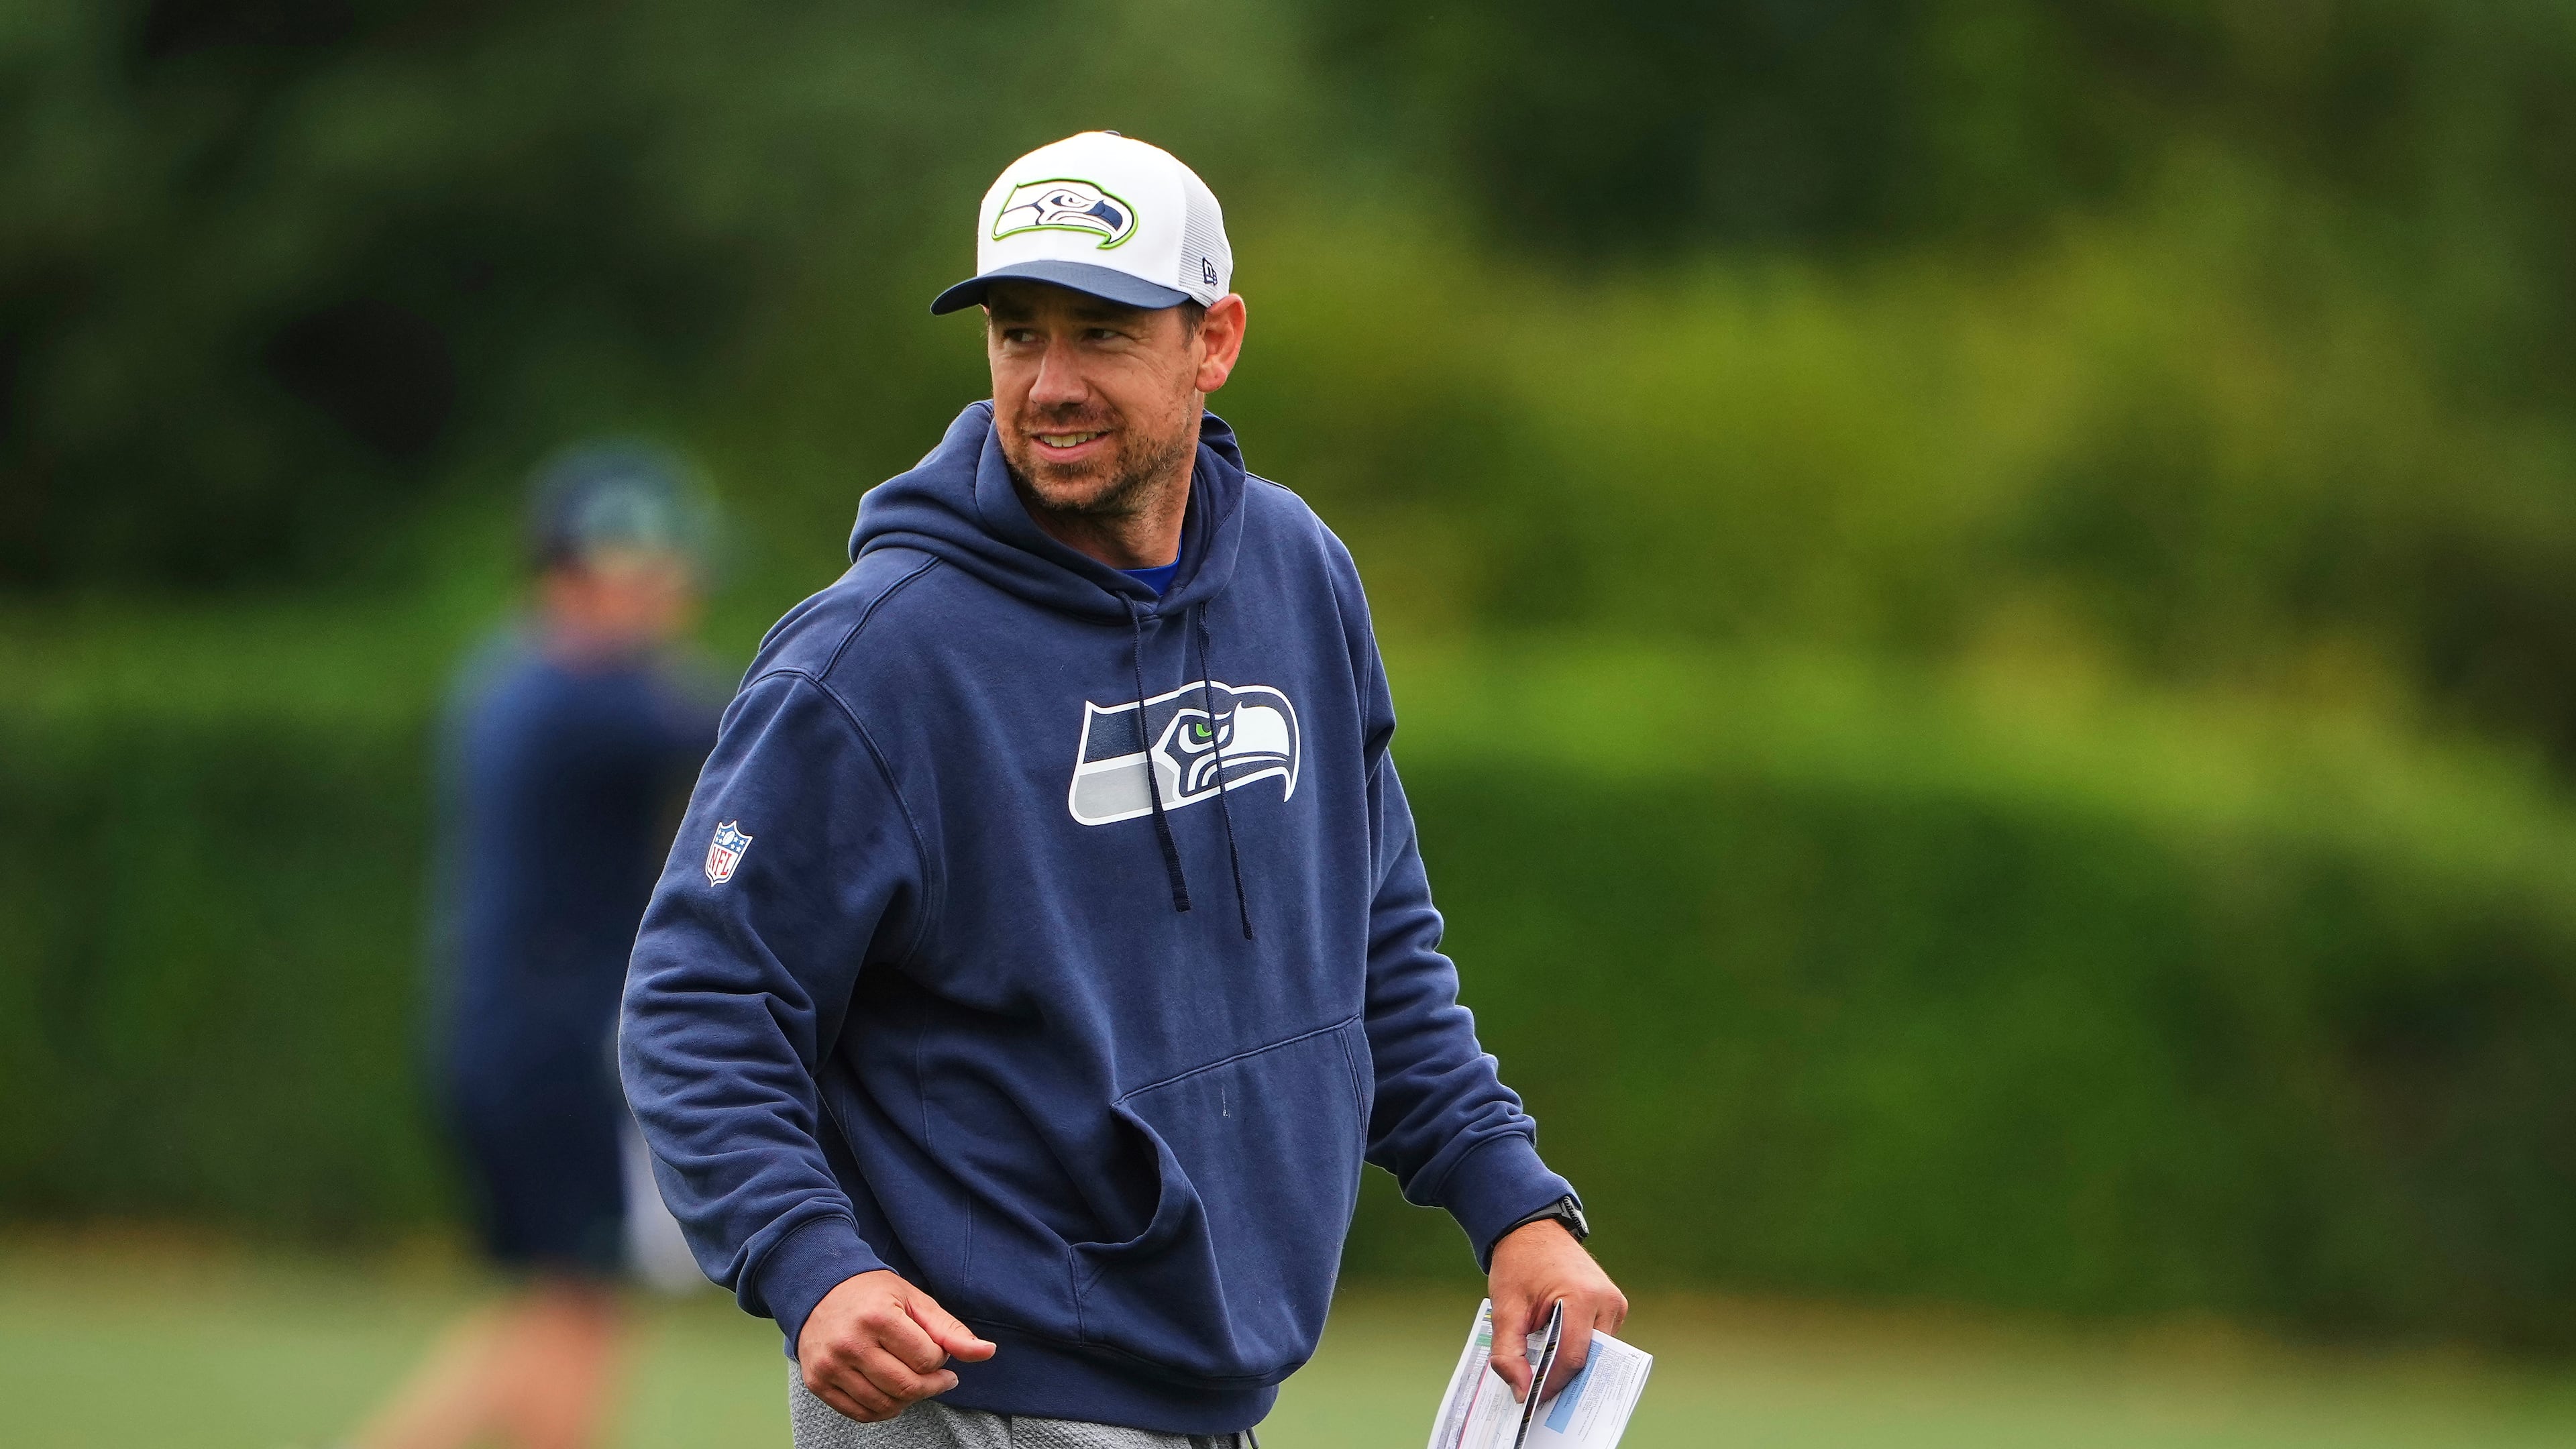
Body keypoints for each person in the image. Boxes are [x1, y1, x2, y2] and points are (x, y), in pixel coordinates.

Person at [620, 131, 1626, 1448]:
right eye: (1017, 333)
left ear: (1215, 342)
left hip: (1208, 1394)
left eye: (1101, 333)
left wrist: (1517, 1208)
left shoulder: (1295, 576)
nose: (1048, 384)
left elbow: (1374, 945)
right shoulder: (879, 658)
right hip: (974, 1394)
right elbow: (702, 997)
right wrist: (816, 1264)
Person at [349, 443, 720, 1449]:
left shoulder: (512, 677)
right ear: (584, 571)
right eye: (651, 568)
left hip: (504, 1044)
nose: (674, 590)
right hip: (547, 1053)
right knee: (580, 1311)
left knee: (550, 1306)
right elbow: (773, 718)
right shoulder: (588, 697)